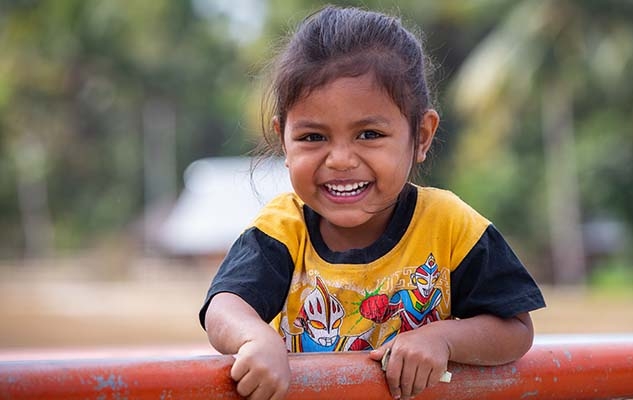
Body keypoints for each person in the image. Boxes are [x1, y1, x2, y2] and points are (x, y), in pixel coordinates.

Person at [199, 5, 545, 400]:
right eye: (313, 137)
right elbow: (223, 306)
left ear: (421, 136)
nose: (341, 159)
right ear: (284, 141)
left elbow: (515, 327)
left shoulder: (451, 226)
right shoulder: (283, 228)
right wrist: (256, 339)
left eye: (368, 134)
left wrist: (443, 339)